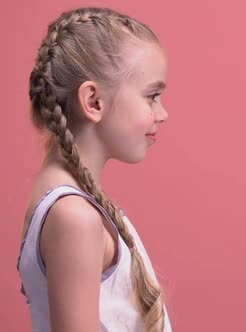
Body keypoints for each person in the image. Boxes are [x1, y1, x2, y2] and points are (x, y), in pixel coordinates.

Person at [17, 7, 172, 332]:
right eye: (152, 96)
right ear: (94, 101)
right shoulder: (74, 217)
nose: (162, 114)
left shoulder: (63, 201)